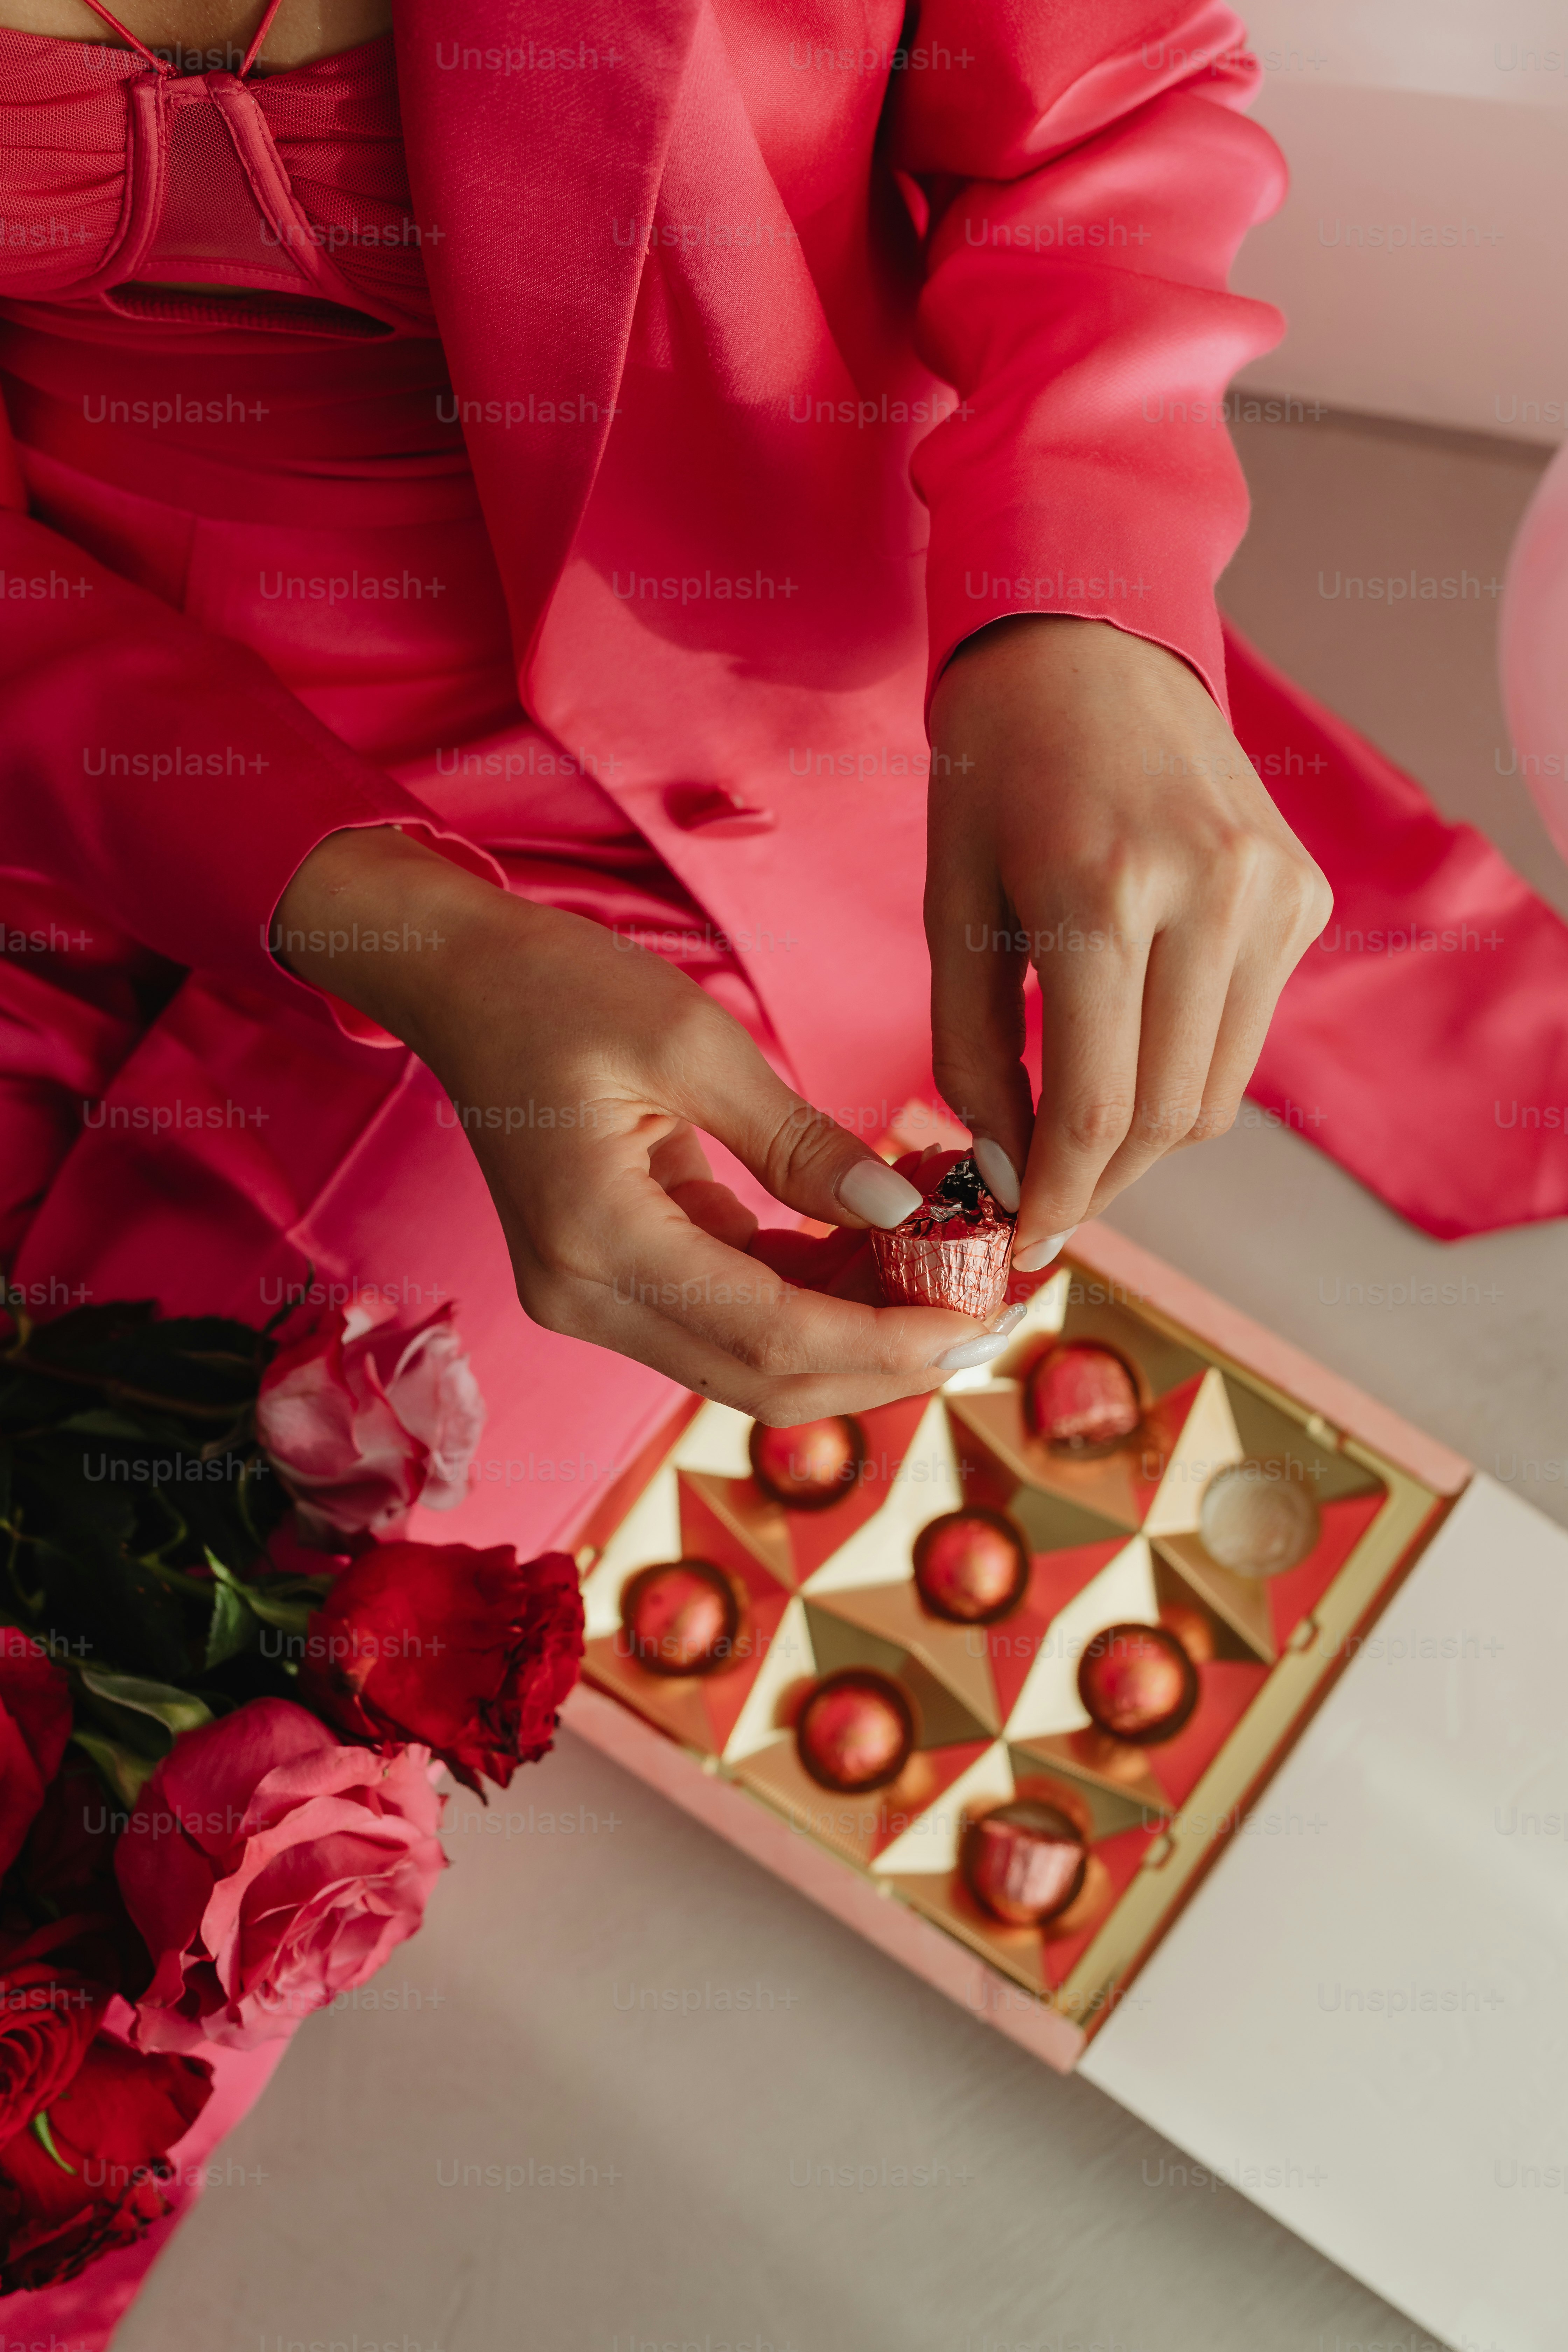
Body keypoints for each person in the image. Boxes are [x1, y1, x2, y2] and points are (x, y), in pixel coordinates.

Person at [0, 0, 1328, 1542]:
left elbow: (1107, 103)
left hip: (718, 795)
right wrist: (411, 932)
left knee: (248, 1630)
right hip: (73, 745)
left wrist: (1086, 603)